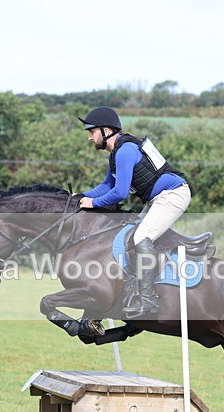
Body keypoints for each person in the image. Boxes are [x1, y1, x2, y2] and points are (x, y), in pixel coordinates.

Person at [77, 106, 191, 318]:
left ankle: (147, 300)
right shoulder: (116, 153)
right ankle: (133, 289)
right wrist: (79, 197)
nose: (90, 138)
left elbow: (120, 193)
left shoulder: (126, 151)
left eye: (92, 132)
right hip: (158, 199)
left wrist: (92, 204)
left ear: (105, 130)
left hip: (173, 194)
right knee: (128, 236)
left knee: (141, 237)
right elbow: (106, 187)